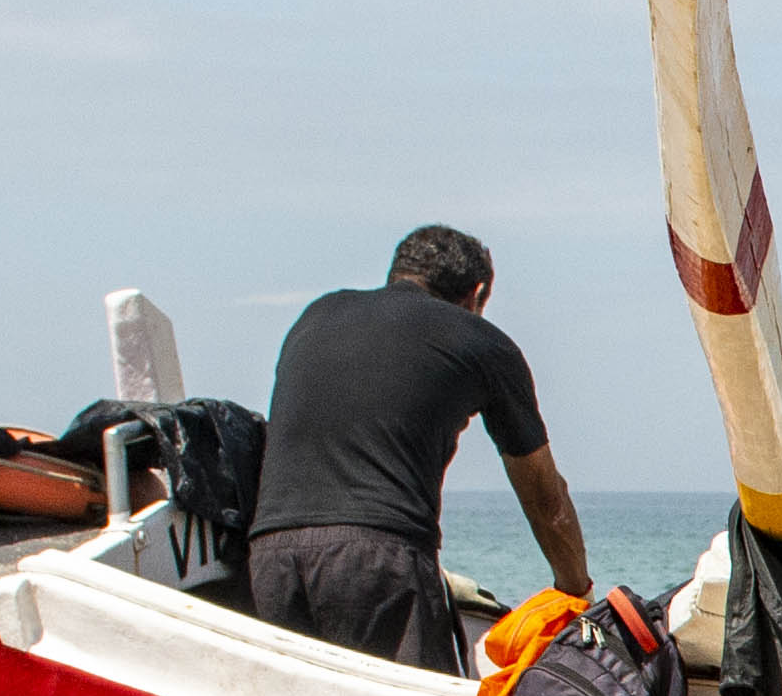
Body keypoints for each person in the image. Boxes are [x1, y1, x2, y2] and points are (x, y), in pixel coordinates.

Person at [251, 224, 595, 670]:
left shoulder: (316, 316)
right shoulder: (482, 342)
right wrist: (577, 592)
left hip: (271, 555)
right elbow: (545, 498)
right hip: (378, 561)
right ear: (476, 295)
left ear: (400, 273)